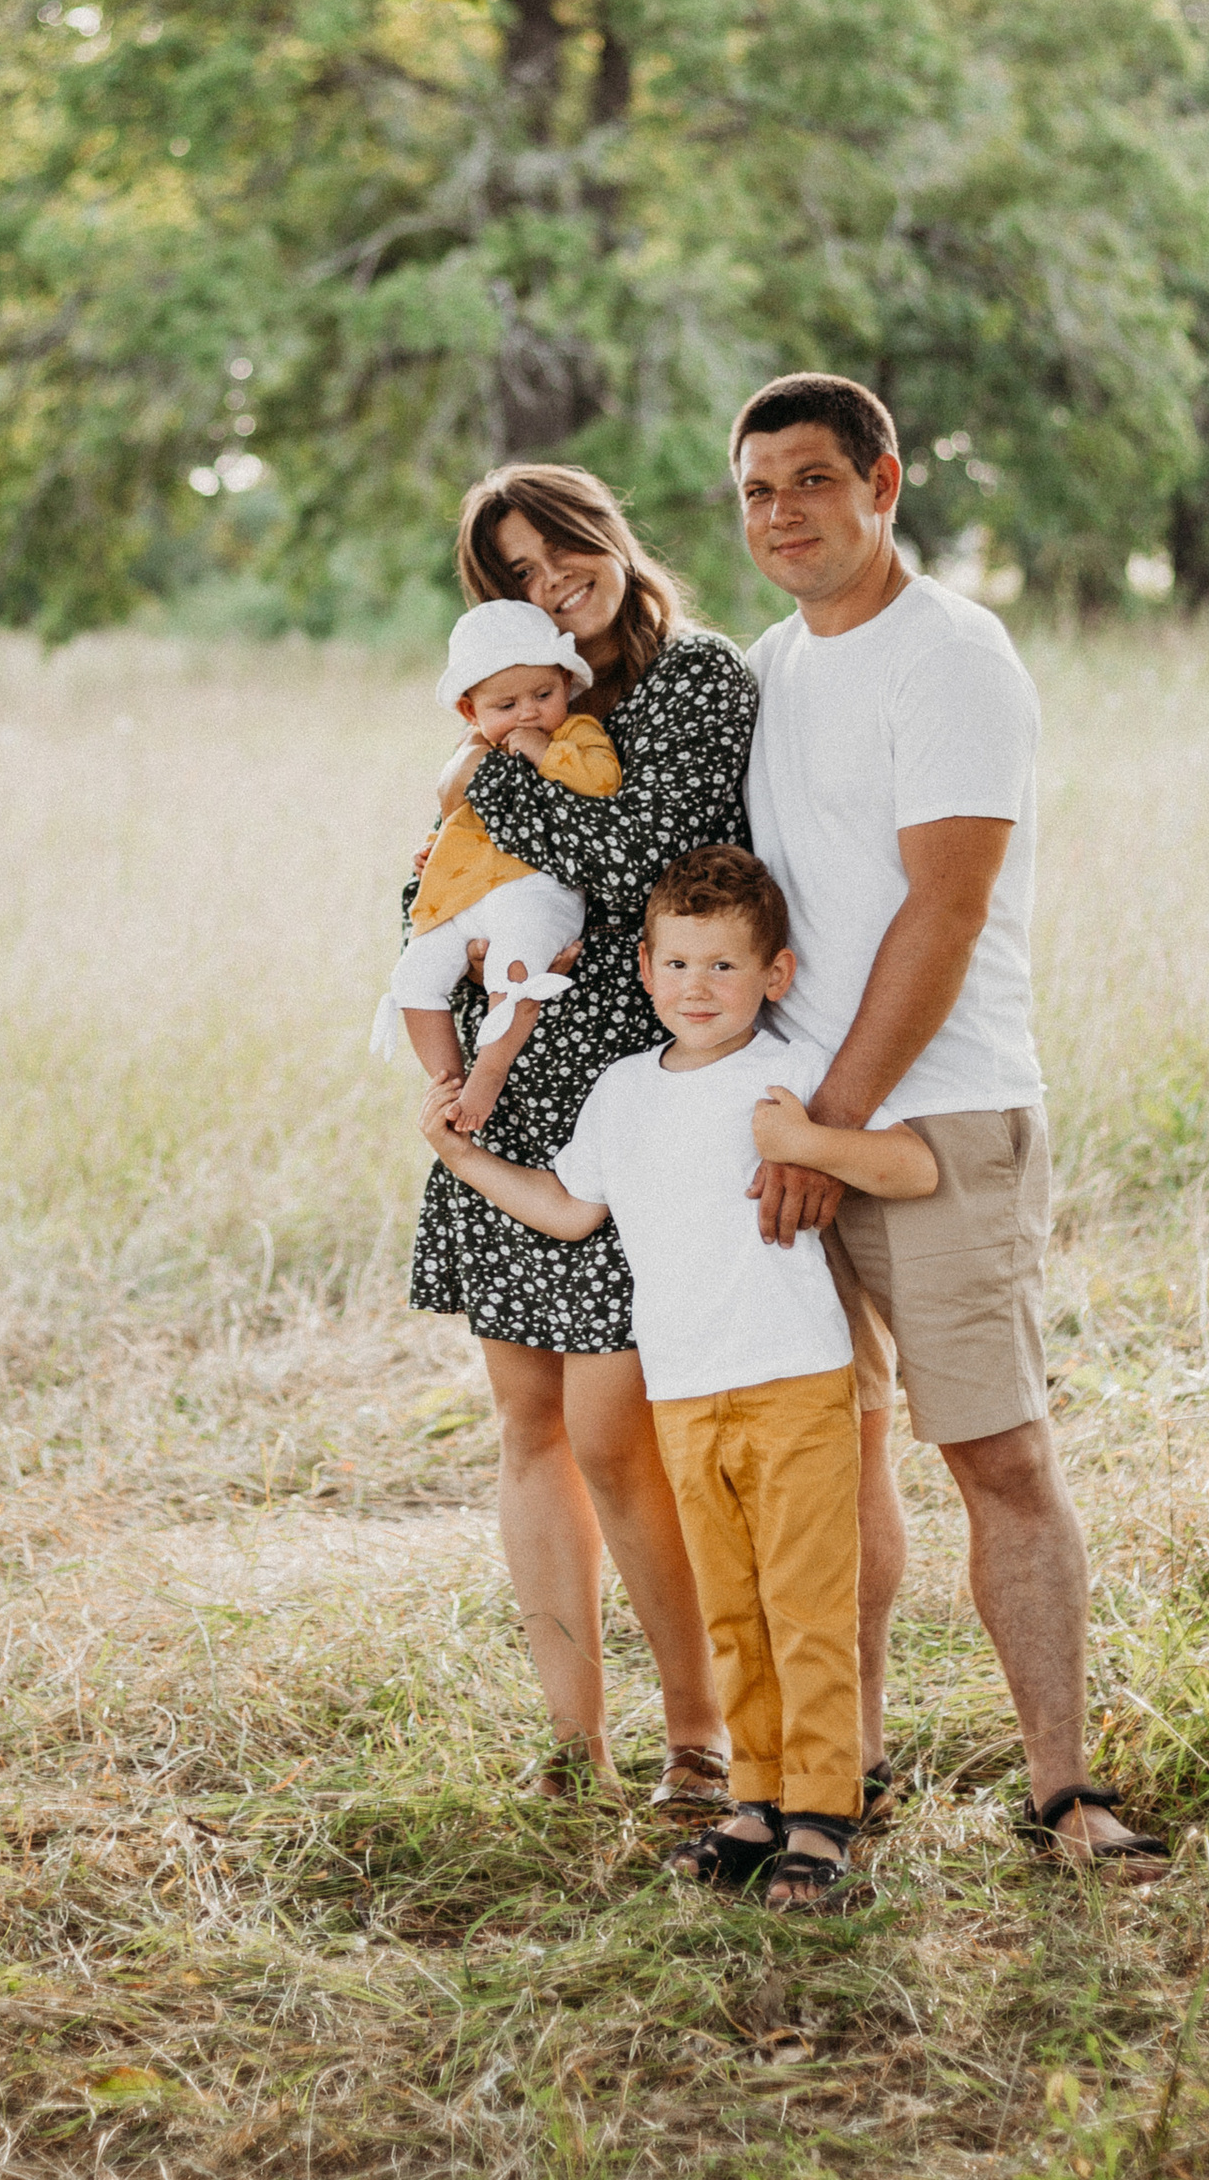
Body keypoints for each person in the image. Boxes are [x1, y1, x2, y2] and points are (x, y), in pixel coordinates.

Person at [734, 371, 1168, 1878]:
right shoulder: (772, 667)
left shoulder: (954, 658)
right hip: (798, 1125)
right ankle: (839, 1779)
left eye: (809, 481)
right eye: (756, 492)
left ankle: (1063, 1789)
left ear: (883, 483)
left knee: (993, 1452)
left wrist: (826, 1127)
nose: (781, 515)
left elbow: (947, 903)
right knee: (828, 1467)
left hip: (939, 1122)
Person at [421, 845, 936, 1912]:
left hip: (793, 1382)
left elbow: (914, 1167)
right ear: (644, 971)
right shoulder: (620, 1094)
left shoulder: (784, 1075)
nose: (698, 989)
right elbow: (571, 1210)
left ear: (774, 977)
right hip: (685, 1392)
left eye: (725, 969)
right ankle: (752, 1801)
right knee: (734, 1607)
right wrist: (463, 1160)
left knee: (804, 1603)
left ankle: (823, 1816)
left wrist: (807, 1141)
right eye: (679, 965)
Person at [407, 463, 759, 1808]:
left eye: (563, 549)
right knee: (528, 1428)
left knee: (620, 1434)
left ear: (608, 537)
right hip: (503, 1088)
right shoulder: (517, 703)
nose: (552, 583)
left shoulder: (691, 681)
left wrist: (488, 783)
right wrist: (437, 1026)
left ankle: (697, 1735)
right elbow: (425, 887)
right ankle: (574, 1740)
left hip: (635, 1100)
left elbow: (646, 861)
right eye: (516, 576)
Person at [371, 600, 621, 1138]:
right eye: (506, 704)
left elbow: (602, 779)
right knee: (414, 976)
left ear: (565, 684)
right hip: (465, 895)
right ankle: (447, 1082)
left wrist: (543, 752)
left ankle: (490, 1070)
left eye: (543, 695)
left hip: (536, 889)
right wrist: (435, 847)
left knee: (517, 968)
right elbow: (460, 818)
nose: (529, 713)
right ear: (471, 711)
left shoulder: (575, 733)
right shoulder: (472, 752)